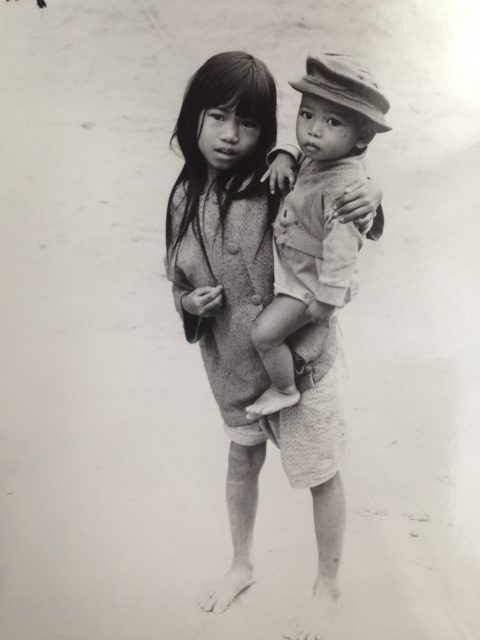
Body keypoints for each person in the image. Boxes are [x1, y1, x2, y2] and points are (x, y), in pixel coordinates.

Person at [165, 51, 383, 640]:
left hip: (303, 362)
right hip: (233, 365)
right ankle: (241, 564)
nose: (232, 136)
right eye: (216, 117)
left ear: (268, 131)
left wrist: (374, 195)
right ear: (193, 118)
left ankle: (326, 586)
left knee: (320, 472)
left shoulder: (276, 180)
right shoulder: (182, 197)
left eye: (251, 124)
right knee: (241, 460)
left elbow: (336, 187)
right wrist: (189, 304)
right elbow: (176, 276)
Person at [246, 53, 391, 419]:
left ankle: (284, 388)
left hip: (311, 279)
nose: (313, 130)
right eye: (306, 114)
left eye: (332, 121)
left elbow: (343, 254)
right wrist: (283, 155)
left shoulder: (346, 190)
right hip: (294, 262)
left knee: (264, 335)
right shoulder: (322, 154)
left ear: (363, 138)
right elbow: (301, 153)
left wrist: (327, 300)